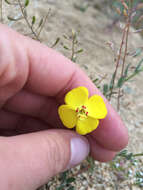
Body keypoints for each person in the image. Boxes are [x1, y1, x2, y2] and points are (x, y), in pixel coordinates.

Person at [0, 24, 128, 190]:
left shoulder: (88, 113)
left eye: (83, 111)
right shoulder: (71, 107)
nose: (82, 112)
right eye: (82, 110)